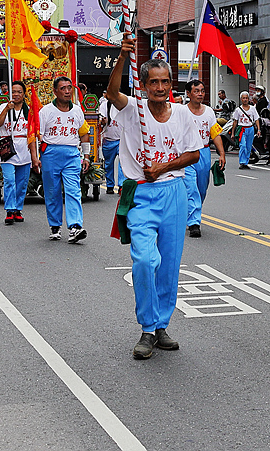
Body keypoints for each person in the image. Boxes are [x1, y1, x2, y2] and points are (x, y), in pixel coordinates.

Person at [105, 34, 202, 359]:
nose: (160, 88)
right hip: (142, 195)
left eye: (164, 82)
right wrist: (122, 56)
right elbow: (111, 92)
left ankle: (160, 326)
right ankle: (146, 327)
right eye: (153, 83)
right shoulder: (133, 110)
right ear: (144, 85)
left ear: (171, 84)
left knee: (169, 266)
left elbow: (193, 155)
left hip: (173, 191)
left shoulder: (182, 114)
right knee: (146, 260)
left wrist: (163, 167)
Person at [29, 76, 91, 243]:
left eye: (69, 88)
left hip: (71, 154)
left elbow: (84, 133)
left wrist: (86, 156)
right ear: (55, 91)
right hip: (51, 153)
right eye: (63, 88)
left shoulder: (77, 110)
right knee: (52, 191)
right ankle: (55, 226)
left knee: (73, 190)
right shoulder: (46, 111)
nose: (67, 91)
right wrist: (35, 158)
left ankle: (75, 226)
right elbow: (35, 135)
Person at [185, 79, 225, 238]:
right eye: (196, 91)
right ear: (188, 93)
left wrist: (221, 154)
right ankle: (194, 222)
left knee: (201, 188)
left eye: (202, 91)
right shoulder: (181, 112)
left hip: (204, 152)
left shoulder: (209, 111)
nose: (200, 94)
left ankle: (193, 211)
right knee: (191, 188)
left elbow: (215, 133)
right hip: (187, 153)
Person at [0, 81, 31, 225]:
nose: (16, 94)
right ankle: (9, 209)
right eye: (13, 92)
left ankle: (17, 209)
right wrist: (6, 110)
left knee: (22, 182)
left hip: (24, 148)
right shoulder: (4, 107)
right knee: (9, 180)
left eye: (19, 92)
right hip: (7, 147)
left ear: (24, 94)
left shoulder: (29, 110)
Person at [99, 96, 122, 195]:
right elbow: (100, 119)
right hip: (108, 139)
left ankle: (122, 185)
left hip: (122, 140)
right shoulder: (104, 105)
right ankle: (109, 185)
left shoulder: (123, 104)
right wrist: (103, 121)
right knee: (108, 164)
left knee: (123, 163)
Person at [232, 91, 260, 169]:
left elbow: (256, 119)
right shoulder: (238, 110)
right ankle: (242, 162)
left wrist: (259, 129)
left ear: (248, 99)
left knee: (248, 146)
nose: (245, 100)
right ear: (241, 99)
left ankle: (246, 162)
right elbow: (235, 121)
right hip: (242, 129)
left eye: (246, 98)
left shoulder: (252, 109)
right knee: (243, 146)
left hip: (250, 129)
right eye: (243, 98)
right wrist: (233, 133)